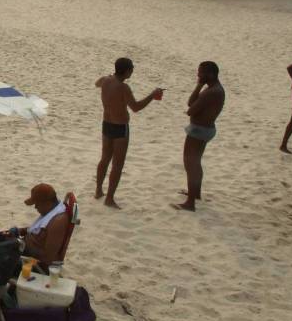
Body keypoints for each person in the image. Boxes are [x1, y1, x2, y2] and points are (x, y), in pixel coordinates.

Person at [94, 57, 163, 209]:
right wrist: (152, 95)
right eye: (131, 69)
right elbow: (136, 107)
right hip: (120, 127)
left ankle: (98, 190)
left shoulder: (106, 80)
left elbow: (97, 83)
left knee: (105, 159)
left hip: (107, 124)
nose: (132, 71)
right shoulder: (123, 87)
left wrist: (108, 78)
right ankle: (109, 199)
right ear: (126, 71)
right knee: (117, 165)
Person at [175, 61, 226, 211]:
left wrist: (199, 88)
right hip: (205, 129)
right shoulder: (213, 88)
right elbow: (190, 103)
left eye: (201, 72)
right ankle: (195, 194)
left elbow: (190, 110)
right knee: (195, 163)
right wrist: (199, 85)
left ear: (211, 74)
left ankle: (190, 203)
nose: (198, 74)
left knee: (191, 164)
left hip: (199, 130)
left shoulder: (211, 92)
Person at [9, 183, 69, 269]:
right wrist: (20, 231)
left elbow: (47, 258)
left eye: (37, 204)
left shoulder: (57, 222)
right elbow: (38, 231)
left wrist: (21, 246)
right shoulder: (50, 212)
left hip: (34, 263)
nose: (35, 207)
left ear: (47, 203)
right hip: (23, 248)